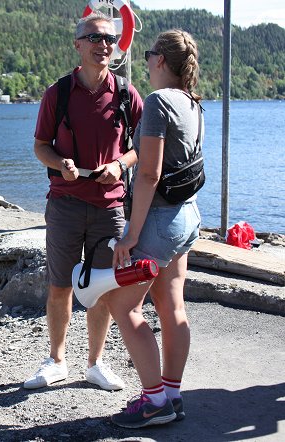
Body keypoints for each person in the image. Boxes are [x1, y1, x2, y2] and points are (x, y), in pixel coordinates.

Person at [26, 12, 143, 391]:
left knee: (102, 287)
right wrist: (61, 164)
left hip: (110, 207)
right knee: (60, 284)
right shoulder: (57, 93)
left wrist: (119, 164)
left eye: (109, 39)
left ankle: (95, 364)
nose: (103, 45)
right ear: (78, 45)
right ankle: (56, 361)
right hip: (65, 204)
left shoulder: (126, 93)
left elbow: (141, 148)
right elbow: (40, 146)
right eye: (94, 38)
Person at [106, 29, 203, 428]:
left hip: (160, 221)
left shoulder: (160, 101)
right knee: (171, 305)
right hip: (188, 217)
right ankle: (173, 394)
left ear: (160, 60)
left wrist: (131, 234)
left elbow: (148, 174)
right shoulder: (193, 104)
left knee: (121, 305)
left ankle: (154, 402)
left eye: (148, 55)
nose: (145, 62)